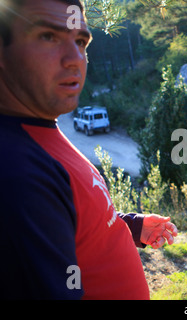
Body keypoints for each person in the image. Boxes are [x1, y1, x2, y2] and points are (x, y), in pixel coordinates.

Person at [0, 0, 177, 299]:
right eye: (48, 37)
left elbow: (70, 219)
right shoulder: (16, 173)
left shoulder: (39, 128)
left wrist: (130, 227)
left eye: (81, 41)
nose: (75, 58)